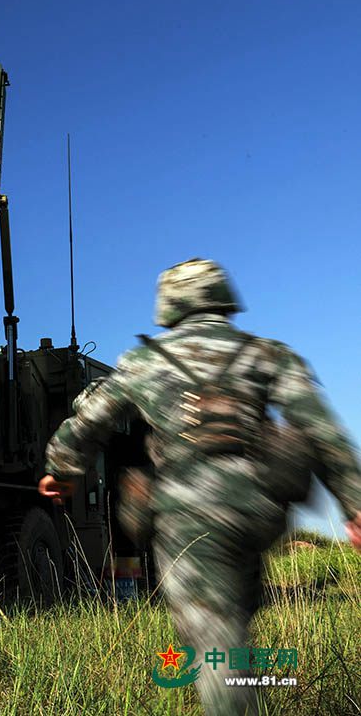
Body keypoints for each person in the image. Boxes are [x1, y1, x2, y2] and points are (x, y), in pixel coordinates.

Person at [38, 258, 361, 716]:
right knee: (233, 625)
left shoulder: (144, 361)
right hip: (260, 513)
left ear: (168, 306)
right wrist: (354, 504)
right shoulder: (268, 353)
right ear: (223, 297)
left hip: (187, 520)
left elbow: (89, 421)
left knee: (215, 644)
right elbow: (322, 430)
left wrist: (61, 469)